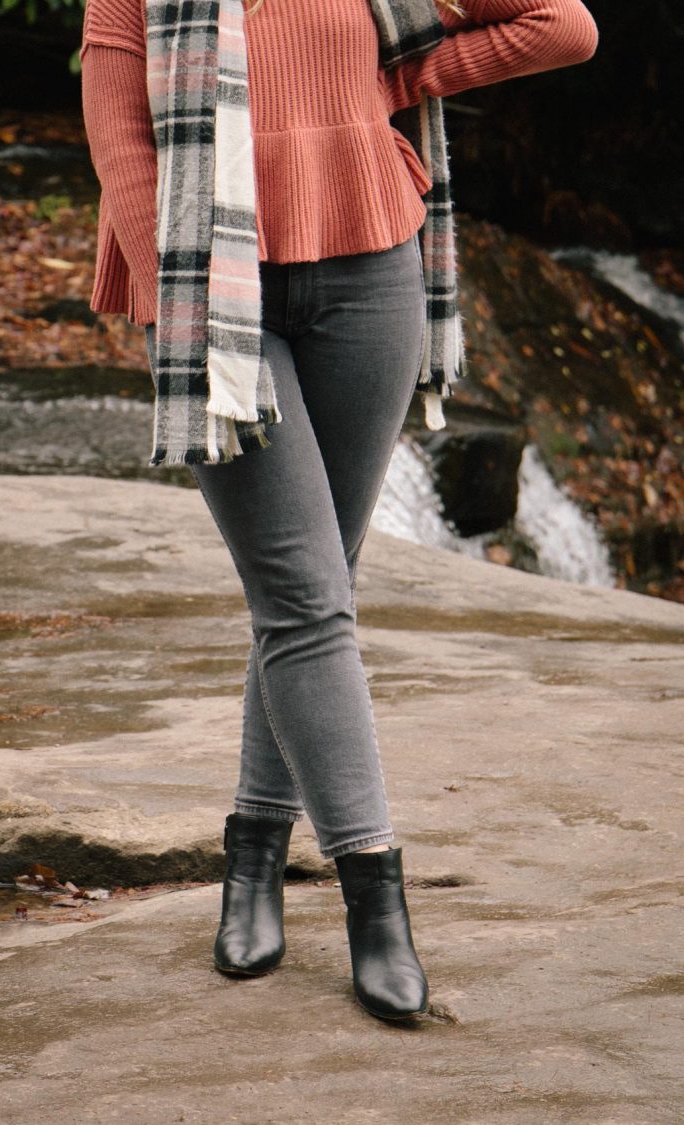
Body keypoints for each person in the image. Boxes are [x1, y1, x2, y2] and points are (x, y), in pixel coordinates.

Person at [81, 0, 598, 1021]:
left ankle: (254, 857)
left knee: (310, 594)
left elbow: (565, 25)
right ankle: (376, 901)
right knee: (306, 599)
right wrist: (188, 297)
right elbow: (122, 143)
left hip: (371, 272)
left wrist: (394, 79)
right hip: (218, 298)